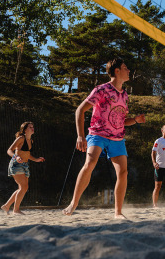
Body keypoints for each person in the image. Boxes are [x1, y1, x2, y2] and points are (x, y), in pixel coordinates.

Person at [62, 58, 146, 219]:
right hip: (97, 134)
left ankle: (118, 213)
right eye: (125, 67)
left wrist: (135, 120)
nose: (129, 70)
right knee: (90, 163)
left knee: (123, 172)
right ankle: (74, 203)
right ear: (116, 71)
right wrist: (80, 136)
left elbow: (121, 121)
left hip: (117, 138)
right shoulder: (101, 89)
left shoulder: (125, 95)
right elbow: (80, 110)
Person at [1, 122, 45, 215]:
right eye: (30, 127)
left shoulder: (31, 141)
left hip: (25, 165)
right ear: (25, 129)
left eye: (33, 127)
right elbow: (9, 150)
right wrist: (16, 157)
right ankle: (16, 210)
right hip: (16, 164)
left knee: (22, 188)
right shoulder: (21, 138)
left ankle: (6, 206)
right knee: (24, 187)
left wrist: (37, 159)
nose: (32, 128)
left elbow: (27, 155)